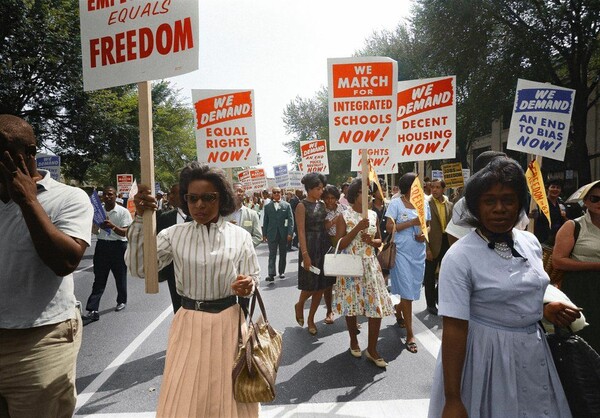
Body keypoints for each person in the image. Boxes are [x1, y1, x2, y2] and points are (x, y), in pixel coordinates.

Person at [428, 157, 579, 418]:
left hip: (533, 353)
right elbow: (453, 330)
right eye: (490, 201)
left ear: (520, 204)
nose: (499, 208)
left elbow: (526, 290)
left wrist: (544, 309)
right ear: (476, 206)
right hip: (486, 360)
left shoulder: (530, 243)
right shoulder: (459, 257)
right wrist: (452, 399)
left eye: (508, 200)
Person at [126, 162, 259, 418]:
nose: (199, 205)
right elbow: (140, 267)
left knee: (227, 394)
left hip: (229, 324)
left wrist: (248, 285)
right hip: (189, 322)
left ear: (222, 199)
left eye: (208, 198)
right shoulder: (173, 234)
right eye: (192, 198)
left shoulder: (239, 236)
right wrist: (141, 221)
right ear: (185, 199)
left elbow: (253, 277)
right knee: (185, 394)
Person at [0, 114, 93, 417]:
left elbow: (64, 261)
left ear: (27, 154)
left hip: (39, 342)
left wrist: (28, 201)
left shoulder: (69, 198)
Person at [334, 179, 394, 367]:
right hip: (351, 266)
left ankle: (373, 349)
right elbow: (339, 244)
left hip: (370, 265)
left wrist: (372, 241)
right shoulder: (344, 216)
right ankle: (353, 340)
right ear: (354, 195)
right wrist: (357, 229)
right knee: (351, 306)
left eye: (368, 191)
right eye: (362, 192)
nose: (367, 195)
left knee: (375, 307)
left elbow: (380, 242)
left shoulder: (373, 215)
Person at [552, 179, 600, 354]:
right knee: (585, 340)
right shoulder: (573, 225)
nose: (599, 203)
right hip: (581, 289)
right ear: (585, 201)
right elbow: (558, 260)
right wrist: (595, 266)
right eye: (595, 199)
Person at [386, 172, 430, 354]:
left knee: (411, 289)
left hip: (418, 253)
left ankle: (399, 310)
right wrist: (410, 222)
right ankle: (411, 335)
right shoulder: (395, 203)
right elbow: (389, 227)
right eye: (416, 184)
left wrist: (424, 234)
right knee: (407, 291)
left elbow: (428, 223)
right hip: (401, 252)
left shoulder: (424, 203)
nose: (420, 187)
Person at [83, 185, 132, 321]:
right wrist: (97, 225)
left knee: (120, 277)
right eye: (105, 194)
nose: (108, 196)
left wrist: (112, 227)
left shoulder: (123, 212)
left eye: (111, 194)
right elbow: (94, 232)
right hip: (102, 247)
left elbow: (126, 232)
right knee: (99, 279)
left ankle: (122, 300)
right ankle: (92, 309)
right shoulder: (99, 212)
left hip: (118, 247)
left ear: (116, 196)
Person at [294, 173, 332, 335]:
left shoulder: (322, 205)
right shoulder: (301, 206)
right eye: (318, 189)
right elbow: (301, 231)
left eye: (322, 188)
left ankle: (311, 319)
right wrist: (305, 254)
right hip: (309, 247)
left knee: (321, 287)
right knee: (310, 285)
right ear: (309, 189)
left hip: (323, 247)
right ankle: (300, 304)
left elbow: (326, 226)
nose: (321, 191)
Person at [156, 184, 190, 314]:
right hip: (173, 272)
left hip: (196, 270)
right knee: (179, 310)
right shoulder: (164, 217)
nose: (169, 196)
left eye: (172, 193)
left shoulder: (199, 217)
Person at [424, 179, 453, 316]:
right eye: (432, 187)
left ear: (443, 189)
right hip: (432, 244)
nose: (434, 190)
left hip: (447, 242)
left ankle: (438, 297)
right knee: (429, 275)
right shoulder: (426, 204)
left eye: (437, 187)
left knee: (445, 274)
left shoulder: (449, 205)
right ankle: (430, 304)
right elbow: (423, 227)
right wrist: (427, 248)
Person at [322, 184, 345, 324]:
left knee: (344, 280)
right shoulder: (322, 210)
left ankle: (348, 313)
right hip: (328, 245)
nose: (330, 201)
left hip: (343, 244)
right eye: (327, 198)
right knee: (328, 282)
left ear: (337, 198)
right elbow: (326, 226)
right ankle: (329, 310)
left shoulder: (344, 208)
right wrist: (337, 219)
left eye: (332, 198)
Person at [262, 186, 294, 282]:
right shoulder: (267, 207)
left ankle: (281, 272)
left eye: (278, 192)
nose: (276, 194)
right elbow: (265, 221)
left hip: (283, 234)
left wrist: (290, 233)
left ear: (281, 193)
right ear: (272, 194)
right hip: (271, 233)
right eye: (275, 192)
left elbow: (291, 221)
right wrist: (264, 234)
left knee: (283, 253)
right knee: (272, 254)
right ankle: (271, 274)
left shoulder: (286, 205)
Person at [224, 182, 262, 247]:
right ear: (230, 193)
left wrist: (244, 246)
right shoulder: (222, 214)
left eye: (241, 191)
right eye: (236, 191)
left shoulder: (252, 214)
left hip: (245, 254)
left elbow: (258, 237)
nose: (239, 193)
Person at [532, 178, 567, 245]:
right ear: (547, 188)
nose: (555, 189)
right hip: (542, 239)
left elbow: (566, 222)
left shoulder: (561, 204)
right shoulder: (540, 204)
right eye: (553, 187)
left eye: (558, 188)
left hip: (557, 239)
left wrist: (564, 217)